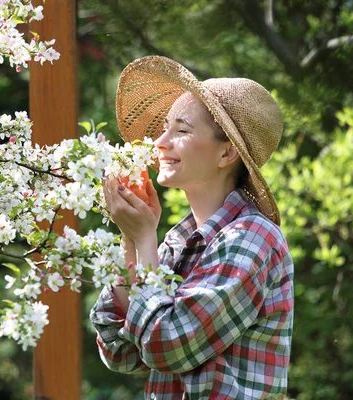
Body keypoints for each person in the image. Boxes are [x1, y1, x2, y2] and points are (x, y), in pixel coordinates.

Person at [90, 56, 294, 399]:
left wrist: (142, 238)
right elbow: (119, 353)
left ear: (226, 153)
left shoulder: (253, 239)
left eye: (181, 130)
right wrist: (130, 237)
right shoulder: (177, 243)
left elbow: (165, 345)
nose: (160, 142)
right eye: (165, 126)